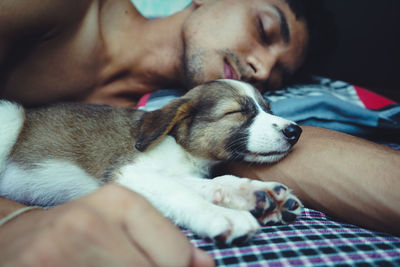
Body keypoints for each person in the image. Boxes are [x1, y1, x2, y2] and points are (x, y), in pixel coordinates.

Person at [0, 0, 399, 266]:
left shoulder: (189, 114)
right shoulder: (59, 10)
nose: (261, 68)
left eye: (279, 74)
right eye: (263, 27)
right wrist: (13, 219)